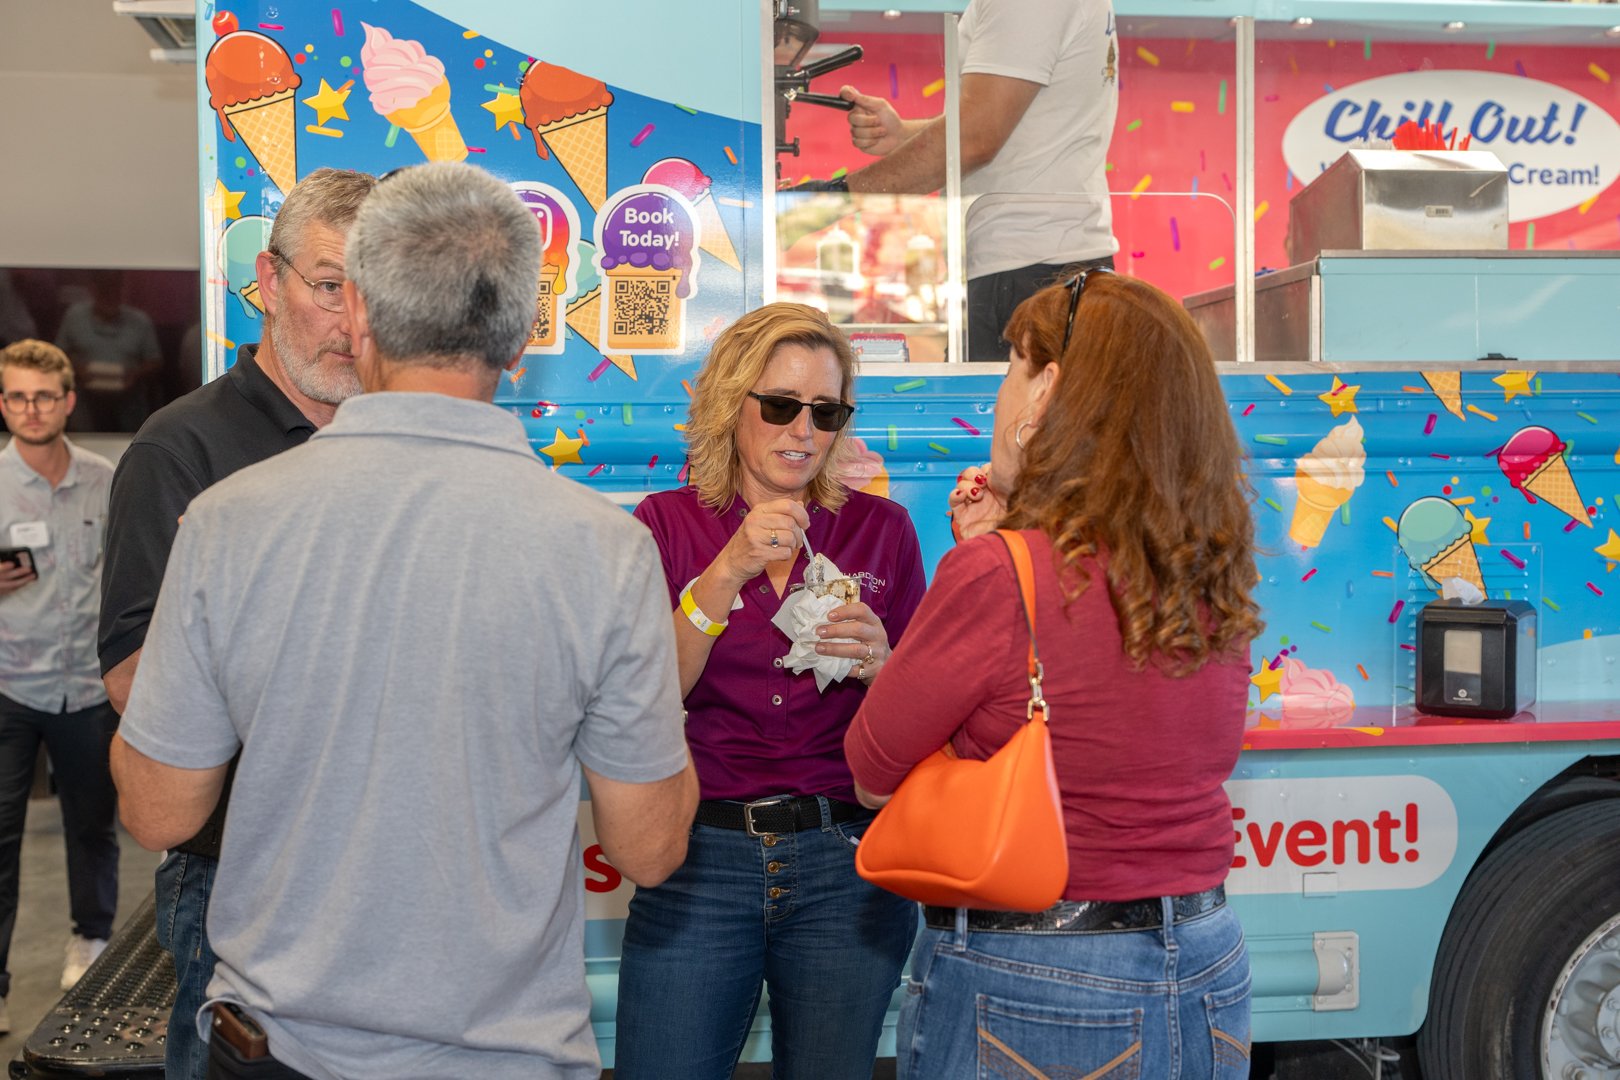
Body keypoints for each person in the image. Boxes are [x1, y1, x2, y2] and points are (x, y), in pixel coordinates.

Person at [109, 161, 698, 1080]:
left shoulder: (228, 523)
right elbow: (652, 848)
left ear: (367, 319)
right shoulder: (604, 549)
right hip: (508, 1058)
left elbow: (155, 809)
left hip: (276, 1050)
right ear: (518, 343)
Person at [846, 271, 1262, 1079]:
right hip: (1209, 958)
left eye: (1010, 369)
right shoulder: (1207, 571)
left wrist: (985, 557)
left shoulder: (998, 575)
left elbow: (870, 769)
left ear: (1049, 394)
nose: (1000, 396)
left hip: (1037, 977)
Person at [96, 166, 376, 1080]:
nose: (351, 320)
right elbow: (133, 674)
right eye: (329, 286)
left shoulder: (392, 447)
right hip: (236, 868)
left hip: (378, 856)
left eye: (373, 293)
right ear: (267, 279)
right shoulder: (181, 450)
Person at [614, 302, 927, 1080]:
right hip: (699, 857)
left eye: (825, 413)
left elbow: (925, 718)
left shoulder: (881, 531)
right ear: (731, 405)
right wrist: (725, 573)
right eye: (782, 405)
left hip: (845, 861)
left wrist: (888, 667)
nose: (802, 432)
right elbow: (647, 697)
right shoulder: (666, 524)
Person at [823, 0, 1119, 361]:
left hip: (1028, 273)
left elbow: (976, 138)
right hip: (1037, 267)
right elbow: (1003, 120)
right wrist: (905, 136)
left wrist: (836, 198)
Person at [0, 340, 117, 1030]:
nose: (31, 408)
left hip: (88, 688)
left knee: (93, 827)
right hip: (10, 687)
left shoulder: (106, 480)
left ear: (68, 400)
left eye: (44, 395)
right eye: (17, 395)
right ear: (4, 404)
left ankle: (91, 940)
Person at [53, 269, 162, 431]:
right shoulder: (75, 316)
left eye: (115, 289)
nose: (110, 295)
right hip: (84, 400)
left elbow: (155, 361)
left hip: (129, 402)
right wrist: (77, 369)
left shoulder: (139, 321)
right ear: (93, 289)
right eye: (105, 289)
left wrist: (135, 374)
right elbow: (57, 355)